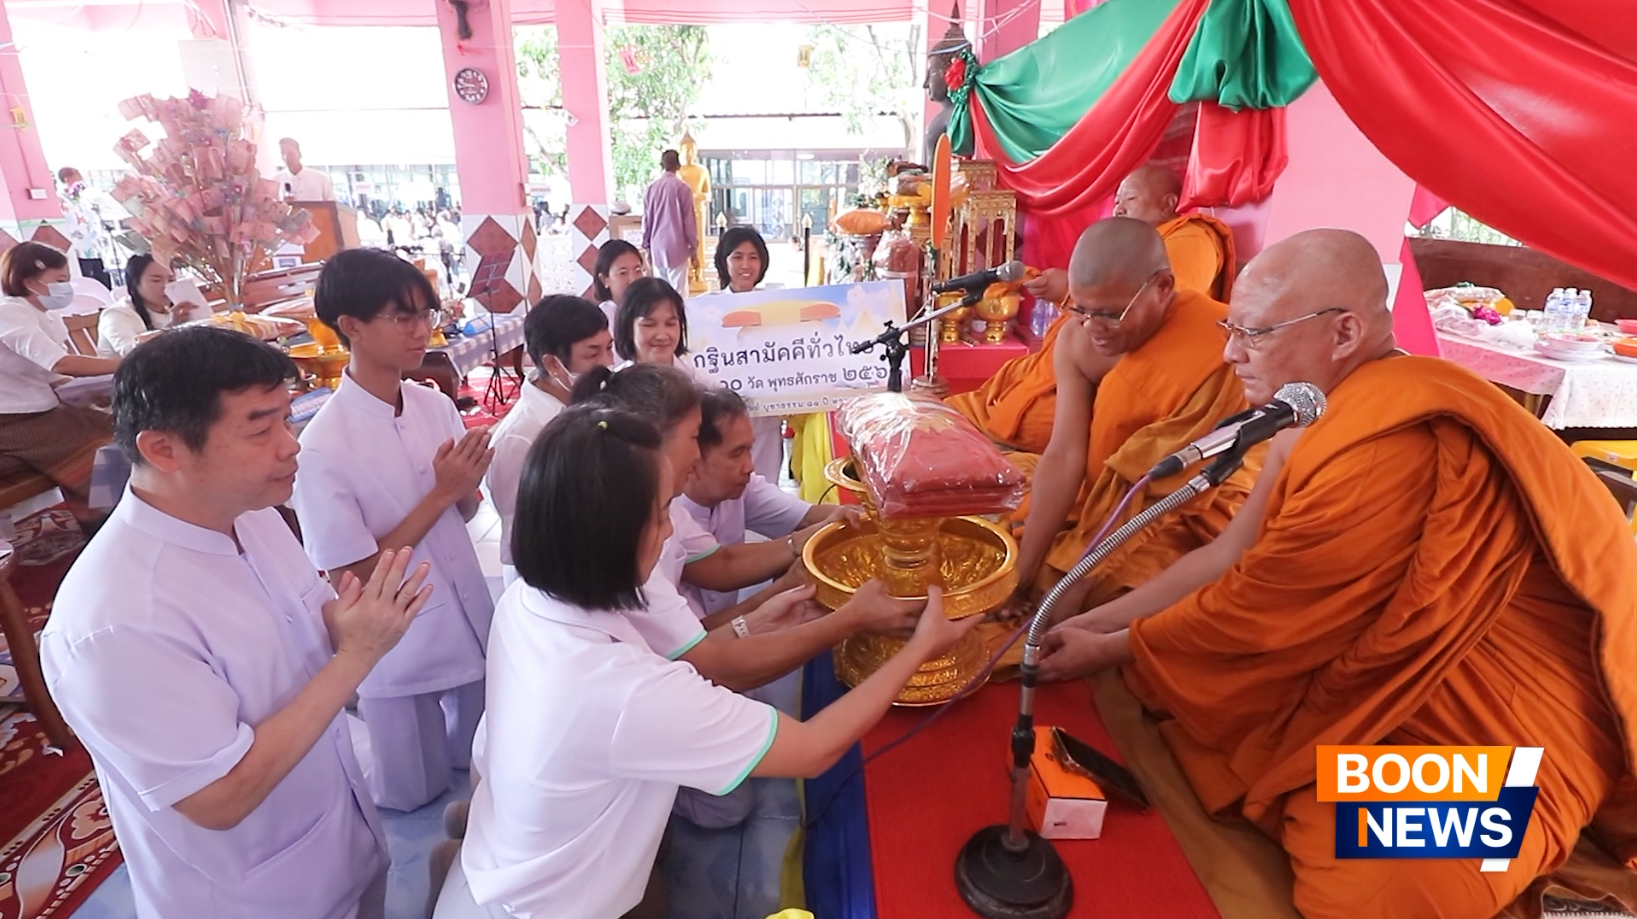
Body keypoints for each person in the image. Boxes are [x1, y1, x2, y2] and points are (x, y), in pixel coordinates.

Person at [1039, 229, 1637, 919]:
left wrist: (1117, 644)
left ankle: (1494, 815)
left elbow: (1256, 609)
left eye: (1254, 334)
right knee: (1245, 751)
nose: (1229, 351)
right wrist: (1086, 620)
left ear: (1344, 331)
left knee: (1379, 891)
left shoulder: (1399, 435)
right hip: (1379, 689)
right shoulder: (1310, 410)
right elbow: (1231, 553)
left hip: (1502, 733)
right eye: (1232, 327)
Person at [439, 406, 979, 919]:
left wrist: (764, 616)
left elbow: (684, 651)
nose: (671, 530)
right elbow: (815, 749)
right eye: (658, 517)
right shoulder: (621, 693)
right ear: (611, 539)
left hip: (506, 859)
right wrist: (916, 650)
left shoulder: (531, 598)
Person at [41, 326, 434, 919]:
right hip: (252, 896)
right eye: (261, 428)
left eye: (286, 418)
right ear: (164, 449)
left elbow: (297, 623)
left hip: (338, 836)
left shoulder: (250, 515)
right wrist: (358, 653)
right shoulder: (117, 618)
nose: (291, 444)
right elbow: (217, 796)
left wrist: (353, 618)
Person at [292, 247, 494, 813]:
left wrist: (466, 490)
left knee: (485, 759)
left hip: (466, 607)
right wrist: (443, 492)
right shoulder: (324, 446)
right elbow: (352, 572)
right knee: (412, 792)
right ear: (351, 326)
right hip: (397, 635)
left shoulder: (433, 405)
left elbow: (467, 514)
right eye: (402, 318)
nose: (421, 331)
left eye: (425, 315)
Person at [1007, 217, 1254, 618]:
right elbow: (1065, 455)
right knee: (1004, 553)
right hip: (1099, 502)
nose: (1093, 328)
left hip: (1181, 516)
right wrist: (1023, 572)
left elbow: (1169, 490)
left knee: (1096, 605)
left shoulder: (1218, 348)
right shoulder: (1077, 338)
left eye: (1109, 314)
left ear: (1162, 287)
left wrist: (1080, 575)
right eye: (1080, 309)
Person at [947, 164, 1237, 457]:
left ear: (1168, 204)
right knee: (931, 417)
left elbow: (1154, 312)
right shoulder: (1080, 330)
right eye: (1117, 201)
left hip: (1074, 407)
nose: (1120, 208)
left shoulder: (1191, 238)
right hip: (1038, 384)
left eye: (1131, 199)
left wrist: (1067, 294)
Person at [677, 386, 848, 618]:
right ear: (693, 457)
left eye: (749, 450)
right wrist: (784, 585)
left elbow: (808, 516)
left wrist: (861, 516)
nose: (750, 465)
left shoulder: (740, 487)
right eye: (737, 454)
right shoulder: (667, 519)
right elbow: (722, 570)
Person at [485, 295, 615, 586]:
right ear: (553, 364)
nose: (607, 363)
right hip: (550, 580)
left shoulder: (593, 401)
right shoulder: (521, 437)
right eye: (592, 354)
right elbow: (520, 535)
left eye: (609, 348)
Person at [0, 241, 121, 528]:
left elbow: (56, 377)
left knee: (117, 428)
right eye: (60, 280)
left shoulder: (46, 317)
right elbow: (61, 363)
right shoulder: (8, 312)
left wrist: (94, 389)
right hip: (11, 419)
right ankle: (112, 523)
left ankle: (100, 519)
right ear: (30, 281)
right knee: (101, 450)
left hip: (41, 409)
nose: (67, 288)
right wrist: (129, 361)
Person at [710, 226, 788, 484]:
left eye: (753, 257)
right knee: (728, 486)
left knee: (766, 486)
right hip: (724, 415)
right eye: (737, 256)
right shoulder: (706, 310)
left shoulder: (777, 306)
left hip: (765, 415)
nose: (746, 264)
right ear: (724, 261)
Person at [613, 276, 712, 385]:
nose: (662, 336)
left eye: (670, 324)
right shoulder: (615, 387)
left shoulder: (700, 384)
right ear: (629, 329)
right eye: (649, 325)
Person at [97, 254, 197, 357]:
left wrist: (174, 325)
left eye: (171, 280)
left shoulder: (169, 311)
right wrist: (170, 329)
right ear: (134, 283)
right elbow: (130, 352)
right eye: (156, 280)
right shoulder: (116, 314)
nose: (166, 286)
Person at [641, 149, 696, 293]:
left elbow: (647, 221)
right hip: (677, 247)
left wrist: (646, 246)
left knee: (660, 293)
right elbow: (689, 222)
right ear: (678, 165)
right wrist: (694, 248)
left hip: (657, 246)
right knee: (680, 295)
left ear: (662, 165)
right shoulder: (683, 188)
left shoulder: (651, 189)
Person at [56, 167, 113, 289]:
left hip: (94, 241)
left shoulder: (82, 196)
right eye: (77, 175)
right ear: (67, 179)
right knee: (87, 275)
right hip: (79, 242)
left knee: (102, 274)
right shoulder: (61, 198)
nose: (81, 178)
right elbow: (70, 219)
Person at [592, 239, 646, 327]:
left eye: (638, 271)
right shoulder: (602, 318)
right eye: (623, 273)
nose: (633, 280)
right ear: (605, 279)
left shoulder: (651, 309)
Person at [274, 138, 337, 202]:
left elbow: (332, 205)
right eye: (283, 154)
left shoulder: (321, 178)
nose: (286, 157)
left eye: (290, 154)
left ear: (299, 154)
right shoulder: (275, 181)